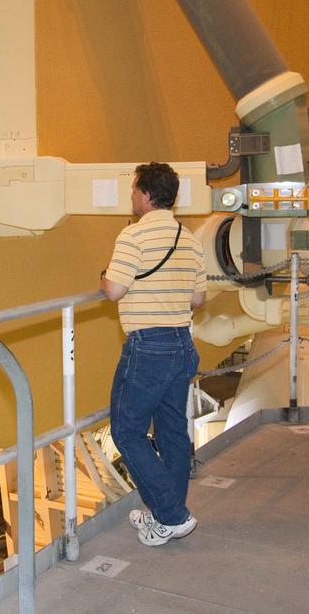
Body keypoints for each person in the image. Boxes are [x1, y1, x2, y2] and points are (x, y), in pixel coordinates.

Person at [100, 162, 206, 547]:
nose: (131, 197)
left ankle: (173, 515)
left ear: (145, 195)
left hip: (149, 348)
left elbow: (113, 291)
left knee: (127, 430)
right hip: (181, 344)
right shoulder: (189, 238)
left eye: (133, 191)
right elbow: (198, 299)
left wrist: (104, 275)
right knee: (172, 432)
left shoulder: (133, 236)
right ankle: (166, 513)